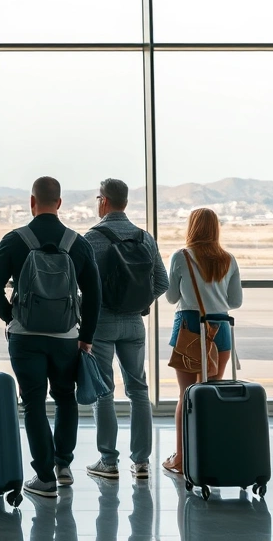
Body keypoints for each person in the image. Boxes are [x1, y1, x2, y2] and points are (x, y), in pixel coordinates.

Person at [0, 176, 102, 498]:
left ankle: (44, 477)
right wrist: (86, 336)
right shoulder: (78, 243)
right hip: (67, 336)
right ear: (59, 203)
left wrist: (13, 318)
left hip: (26, 338)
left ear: (32, 202)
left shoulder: (14, 240)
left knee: (33, 403)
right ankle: (64, 466)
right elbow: (94, 295)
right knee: (66, 397)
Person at [83, 179, 169, 480]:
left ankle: (108, 461)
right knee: (138, 389)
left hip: (102, 323)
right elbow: (162, 282)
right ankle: (142, 462)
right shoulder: (144, 237)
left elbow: (80, 287)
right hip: (135, 322)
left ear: (103, 201)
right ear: (126, 203)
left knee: (103, 391)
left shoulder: (91, 238)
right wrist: (140, 303)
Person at [163, 207, 242, 474]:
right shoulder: (228, 259)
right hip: (220, 328)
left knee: (186, 396)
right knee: (212, 395)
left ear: (192, 227)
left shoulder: (181, 256)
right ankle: (211, 453)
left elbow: (172, 298)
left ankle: (181, 458)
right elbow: (236, 302)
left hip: (188, 325)